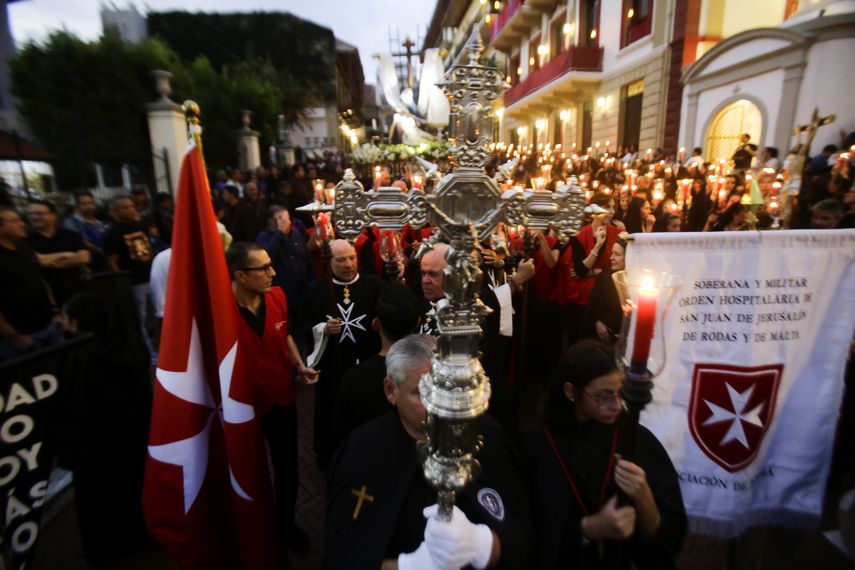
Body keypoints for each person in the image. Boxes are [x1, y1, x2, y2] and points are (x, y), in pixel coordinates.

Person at [324, 334, 534, 569]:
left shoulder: (486, 435)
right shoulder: (361, 451)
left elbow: (523, 536)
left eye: (448, 389)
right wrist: (410, 566)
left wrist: (483, 545)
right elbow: (343, 556)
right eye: (423, 393)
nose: (440, 405)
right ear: (391, 390)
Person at [518, 340, 687, 569]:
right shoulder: (536, 443)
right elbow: (527, 527)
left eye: (620, 393)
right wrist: (591, 527)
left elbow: (665, 540)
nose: (616, 405)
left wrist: (644, 497)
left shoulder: (635, 439)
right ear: (570, 392)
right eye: (603, 396)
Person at [226, 241, 319, 551]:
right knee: (246, 467)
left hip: (281, 397)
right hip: (242, 406)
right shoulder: (219, 310)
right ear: (240, 276)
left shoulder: (277, 297)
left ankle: (285, 525)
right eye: (264, 268)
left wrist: (298, 364)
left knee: (287, 466)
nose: (273, 272)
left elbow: (286, 333)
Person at [60, 293, 152, 563]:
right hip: (136, 433)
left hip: (98, 448)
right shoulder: (130, 340)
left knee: (104, 504)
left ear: (76, 322)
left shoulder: (77, 357)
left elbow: (75, 407)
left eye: (66, 319)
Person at [303, 239, 386, 468]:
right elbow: (302, 324)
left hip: (367, 365)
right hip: (333, 368)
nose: (348, 264)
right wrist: (321, 328)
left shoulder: (375, 286)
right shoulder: (316, 290)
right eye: (341, 260)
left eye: (352, 257)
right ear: (329, 261)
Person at [331, 283, 420, 450]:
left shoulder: (353, 379)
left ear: (375, 325)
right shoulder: (430, 373)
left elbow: (341, 434)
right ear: (418, 322)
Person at [0, 207, 64, 360]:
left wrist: (55, 312)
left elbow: (41, 280)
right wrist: (14, 336)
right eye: (15, 221)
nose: (22, 224)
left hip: (50, 325)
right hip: (22, 336)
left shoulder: (24, 247)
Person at [102, 195, 156, 358]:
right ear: (114, 211)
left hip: (151, 276)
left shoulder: (140, 225)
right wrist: (122, 283)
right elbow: (112, 261)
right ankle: (149, 352)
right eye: (125, 207)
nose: (131, 209)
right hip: (134, 281)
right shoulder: (112, 232)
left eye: (132, 206)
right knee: (141, 317)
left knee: (156, 313)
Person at [26, 199, 90, 305]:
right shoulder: (25, 239)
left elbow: (84, 258)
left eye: (39, 213)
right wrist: (66, 255)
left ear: (53, 216)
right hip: (47, 295)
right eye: (31, 214)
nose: (34, 217)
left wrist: (48, 262)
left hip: (77, 290)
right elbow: (35, 261)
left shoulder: (70, 235)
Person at [260, 207, 313, 322]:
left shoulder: (296, 234)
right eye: (281, 219)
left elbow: (306, 258)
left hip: (303, 293)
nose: (286, 223)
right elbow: (268, 256)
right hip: (284, 296)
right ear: (270, 222)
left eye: (287, 219)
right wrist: (279, 233)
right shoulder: (264, 237)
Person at [580, 238, 626, 345]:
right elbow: (592, 308)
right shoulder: (604, 277)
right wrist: (597, 322)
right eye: (612, 253)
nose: (611, 258)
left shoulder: (636, 281)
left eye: (617, 254)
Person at [62, 191, 107, 270]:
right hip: (85, 265)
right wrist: (100, 251)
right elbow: (79, 241)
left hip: (103, 262)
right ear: (77, 206)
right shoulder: (71, 221)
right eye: (84, 203)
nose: (89, 206)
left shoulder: (98, 222)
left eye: (91, 203)